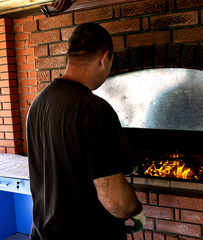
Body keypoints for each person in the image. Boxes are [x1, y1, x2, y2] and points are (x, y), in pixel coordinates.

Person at [27, 23, 145, 240]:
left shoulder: (38, 103)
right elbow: (116, 202)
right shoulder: (94, 110)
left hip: (44, 233)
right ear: (104, 58)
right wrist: (136, 210)